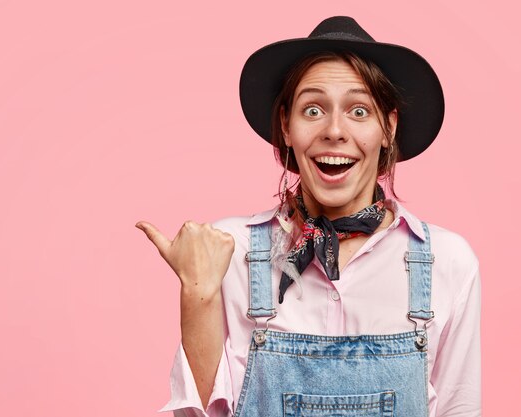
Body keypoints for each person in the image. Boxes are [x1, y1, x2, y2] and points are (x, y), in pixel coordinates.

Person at [136, 16, 481, 417]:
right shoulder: (229, 252)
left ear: (388, 127)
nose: (334, 131)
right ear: (286, 125)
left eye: (359, 111)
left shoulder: (447, 262)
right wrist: (198, 295)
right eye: (313, 109)